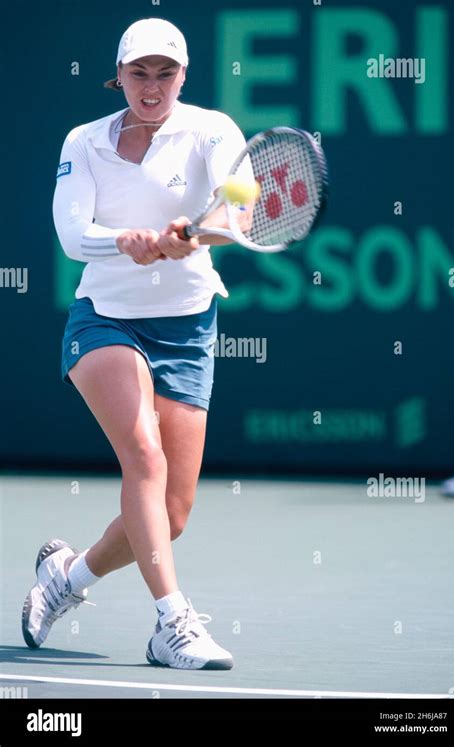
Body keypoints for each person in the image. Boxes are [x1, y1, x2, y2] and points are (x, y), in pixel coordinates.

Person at [21, 17, 252, 670]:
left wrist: (192, 238)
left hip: (188, 324)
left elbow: (243, 213)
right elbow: (73, 235)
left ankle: (67, 577)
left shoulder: (213, 132)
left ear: (184, 76)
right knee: (143, 460)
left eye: (166, 73)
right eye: (139, 73)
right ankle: (172, 623)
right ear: (117, 76)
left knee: (171, 511)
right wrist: (125, 241)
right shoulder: (85, 142)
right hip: (105, 320)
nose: (152, 87)